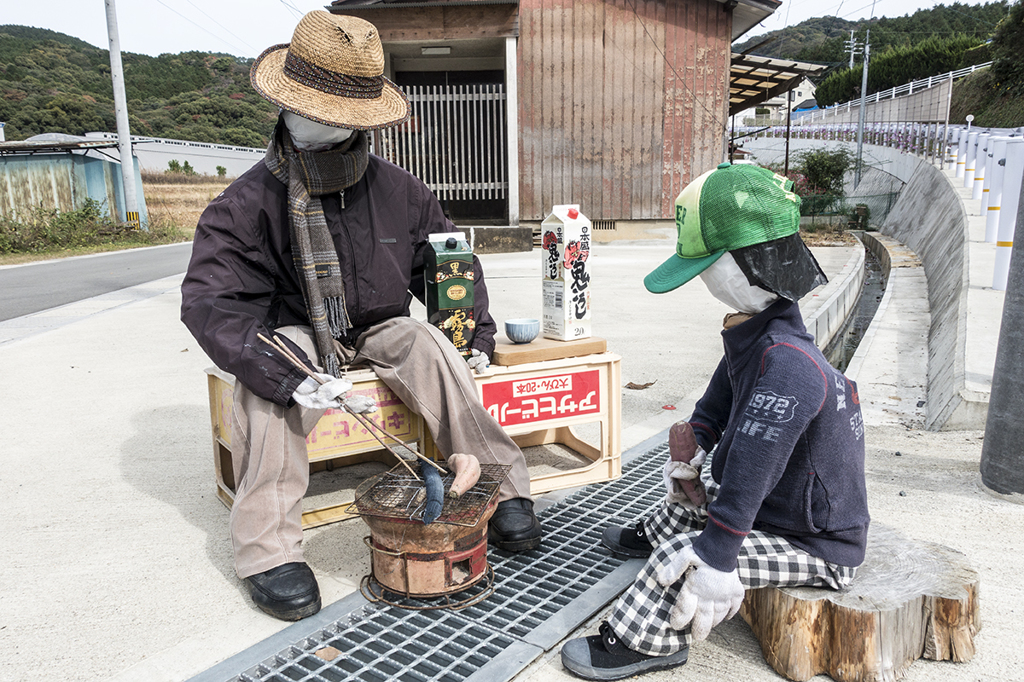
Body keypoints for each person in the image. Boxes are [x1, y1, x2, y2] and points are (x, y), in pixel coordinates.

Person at [180, 10, 542, 622]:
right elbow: (212, 303)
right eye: (310, 107)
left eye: (335, 113)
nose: (320, 121)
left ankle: (502, 486)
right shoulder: (244, 203)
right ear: (284, 105)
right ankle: (269, 549)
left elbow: (449, 263)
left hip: (379, 320)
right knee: (268, 387)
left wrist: (473, 330)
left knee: (429, 343)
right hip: (290, 327)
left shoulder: (400, 189)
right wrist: (286, 373)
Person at [559, 163, 869, 680]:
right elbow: (714, 405)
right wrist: (698, 444)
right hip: (780, 508)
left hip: (816, 539)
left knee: (685, 556)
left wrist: (719, 555)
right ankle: (675, 534)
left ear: (745, 265)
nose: (701, 280)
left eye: (704, 267)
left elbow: (753, 466)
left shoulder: (789, 365)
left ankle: (645, 640)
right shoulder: (755, 335)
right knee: (691, 499)